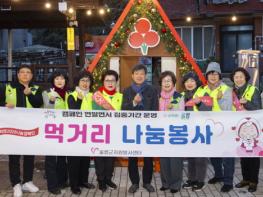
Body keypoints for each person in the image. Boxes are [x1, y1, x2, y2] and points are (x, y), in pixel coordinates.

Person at [194, 62, 235, 192]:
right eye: (210, 73)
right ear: (206, 75)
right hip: (208, 128)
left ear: (219, 75)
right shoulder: (201, 90)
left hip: (226, 128)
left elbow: (228, 109)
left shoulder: (226, 89)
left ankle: (228, 181)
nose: (213, 76)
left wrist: (220, 100)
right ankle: (219, 175)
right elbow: (195, 108)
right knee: (214, 153)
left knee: (227, 156)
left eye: (215, 73)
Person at [3, 65, 43, 197]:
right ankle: (16, 184)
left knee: (29, 156)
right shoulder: (8, 87)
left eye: (28, 72)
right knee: (14, 157)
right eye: (22, 72)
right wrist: (4, 105)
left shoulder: (36, 89)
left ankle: (27, 181)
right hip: (12, 128)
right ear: (18, 74)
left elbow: (38, 104)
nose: (25, 75)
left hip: (30, 128)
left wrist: (30, 94)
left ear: (32, 75)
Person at [122, 64, 159, 193]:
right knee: (133, 157)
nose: (139, 76)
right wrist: (134, 102)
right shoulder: (127, 91)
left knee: (148, 157)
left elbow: (155, 110)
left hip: (148, 128)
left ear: (145, 75)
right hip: (132, 129)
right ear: (132, 75)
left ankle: (147, 182)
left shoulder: (152, 90)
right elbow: (123, 109)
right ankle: (135, 183)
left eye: (142, 73)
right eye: (136, 73)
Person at [231, 67, 261, 192]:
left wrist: (246, 103)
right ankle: (245, 179)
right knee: (243, 154)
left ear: (246, 78)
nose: (238, 79)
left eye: (241, 77)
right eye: (236, 77)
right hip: (238, 127)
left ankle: (253, 181)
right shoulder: (232, 91)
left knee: (253, 155)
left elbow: (258, 107)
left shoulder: (253, 90)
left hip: (252, 128)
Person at [92, 70, 123, 192]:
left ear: (116, 82)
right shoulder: (97, 96)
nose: (110, 83)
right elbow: (94, 113)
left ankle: (108, 178)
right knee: (100, 157)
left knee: (110, 157)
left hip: (114, 131)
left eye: (113, 80)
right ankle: (101, 180)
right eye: (107, 80)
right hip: (99, 131)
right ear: (103, 82)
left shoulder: (120, 96)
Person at [67, 71, 95, 194]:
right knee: (74, 160)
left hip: (89, 132)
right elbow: (73, 112)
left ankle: (83, 180)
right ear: (78, 82)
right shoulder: (72, 95)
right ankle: (74, 185)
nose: (85, 83)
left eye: (88, 80)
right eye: (83, 80)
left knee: (85, 159)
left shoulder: (93, 96)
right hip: (75, 133)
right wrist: (79, 100)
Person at [42, 70, 69, 195]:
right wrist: (52, 101)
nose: (60, 81)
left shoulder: (69, 93)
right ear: (53, 80)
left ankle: (62, 181)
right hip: (52, 130)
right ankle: (52, 185)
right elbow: (47, 111)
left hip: (66, 130)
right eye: (57, 78)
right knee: (51, 159)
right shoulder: (47, 93)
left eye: (62, 79)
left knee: (63, 158)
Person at [181, 72, 208, 191]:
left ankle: (200, 180)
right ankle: (191, 179)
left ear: (196, 82)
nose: (189, 83)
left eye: (192, 81)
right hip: (187, 130)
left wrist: (200, 102)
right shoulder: (181, 95)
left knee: (200, 157)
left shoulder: (203, 93)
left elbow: (209, 110)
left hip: (200, 129)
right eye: (187, 81)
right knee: (191, 156)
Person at [159, 71, 184, 193]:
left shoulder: (178, 96)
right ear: (161, 83)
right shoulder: (158, 96)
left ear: (173, 83)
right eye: (164, 81)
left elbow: (182, 115)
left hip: (175, 132)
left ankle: (175, 184)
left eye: (169, 81)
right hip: (161, 132)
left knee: (175, 160)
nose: (167, 83)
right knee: (163, 159)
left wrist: (172, 111)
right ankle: (165, 183)